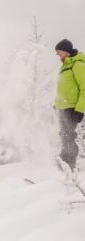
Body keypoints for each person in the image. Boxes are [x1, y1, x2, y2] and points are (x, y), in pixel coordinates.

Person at [54, 39, 85, 171]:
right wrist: (56, 104)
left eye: (59, 52)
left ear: (66, 51)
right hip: (62, 108)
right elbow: (64, 89)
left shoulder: (77, 65)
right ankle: (64, 162)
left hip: (72, 108)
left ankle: (69, 164)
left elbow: (84, 89)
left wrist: (79, 109)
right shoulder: (64, 67)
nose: (58, 55)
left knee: (68, 135)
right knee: (63, 134)